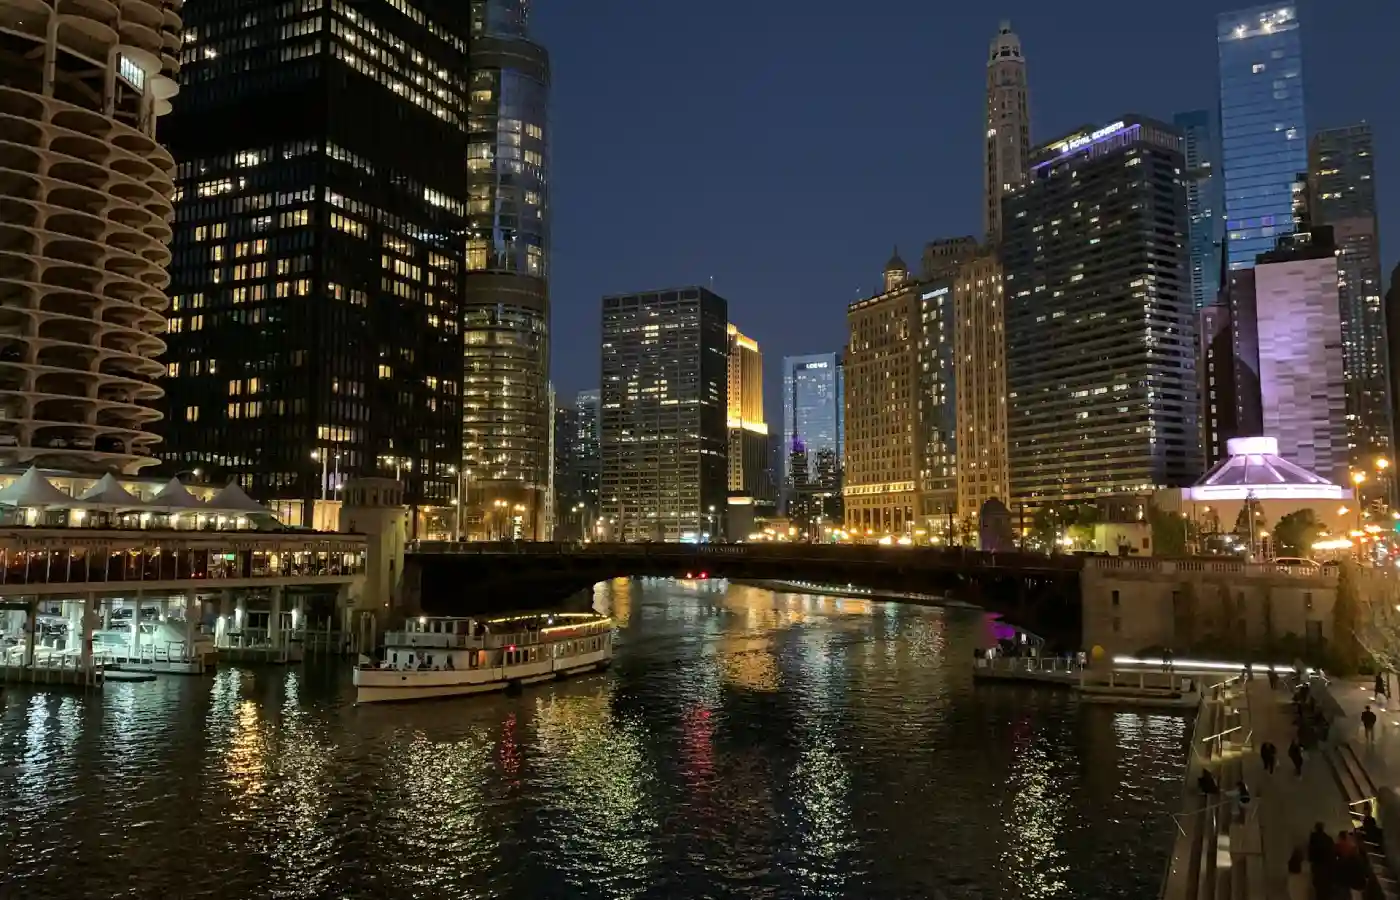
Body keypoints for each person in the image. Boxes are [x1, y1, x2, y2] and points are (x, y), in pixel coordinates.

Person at [1308, 822, 1336, 900]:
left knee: (1319, 893)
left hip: (1318, 869)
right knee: (1326, 893)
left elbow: (1311, 854)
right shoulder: (1328, 839)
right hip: (1328, 870)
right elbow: (1333, 854)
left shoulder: (1314, 838)